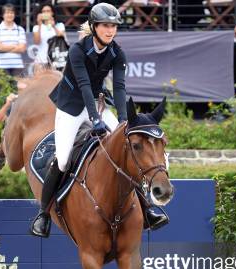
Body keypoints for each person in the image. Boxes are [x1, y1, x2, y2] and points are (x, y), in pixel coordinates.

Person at [30, 3, 168, 238]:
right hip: (72, 108)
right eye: (106, 26)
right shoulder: (77, 50)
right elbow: (84, 86)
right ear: (94, 27)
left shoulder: (117, 53)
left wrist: (125, 122)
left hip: (99, 103)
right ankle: (43, 214)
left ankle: (147, 209)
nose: (110, 30)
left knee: (127, 148)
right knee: (62, 160)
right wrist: (94, 120)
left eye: (114, 26)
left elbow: (120, 87)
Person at [0, 4, 27, 78]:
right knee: (3, 90)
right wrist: (14, 46)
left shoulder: (20, 29)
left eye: (11, 13)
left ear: (14, 14)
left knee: (17, 90)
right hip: (0, 66)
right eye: (7, 13)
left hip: (17, 66)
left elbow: (22, 48)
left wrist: (3, 48)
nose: (9, 15)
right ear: (3, 15)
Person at [32, 3, 65, 70]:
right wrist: (39, 24)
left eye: (48, 11)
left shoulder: (60, 25)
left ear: (52, 13)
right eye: (43, 11)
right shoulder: (36, 27)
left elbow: (62, 38)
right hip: (41, 59)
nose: (46, 13)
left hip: (56, 60)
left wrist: (53, 26)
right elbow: (37, 42)